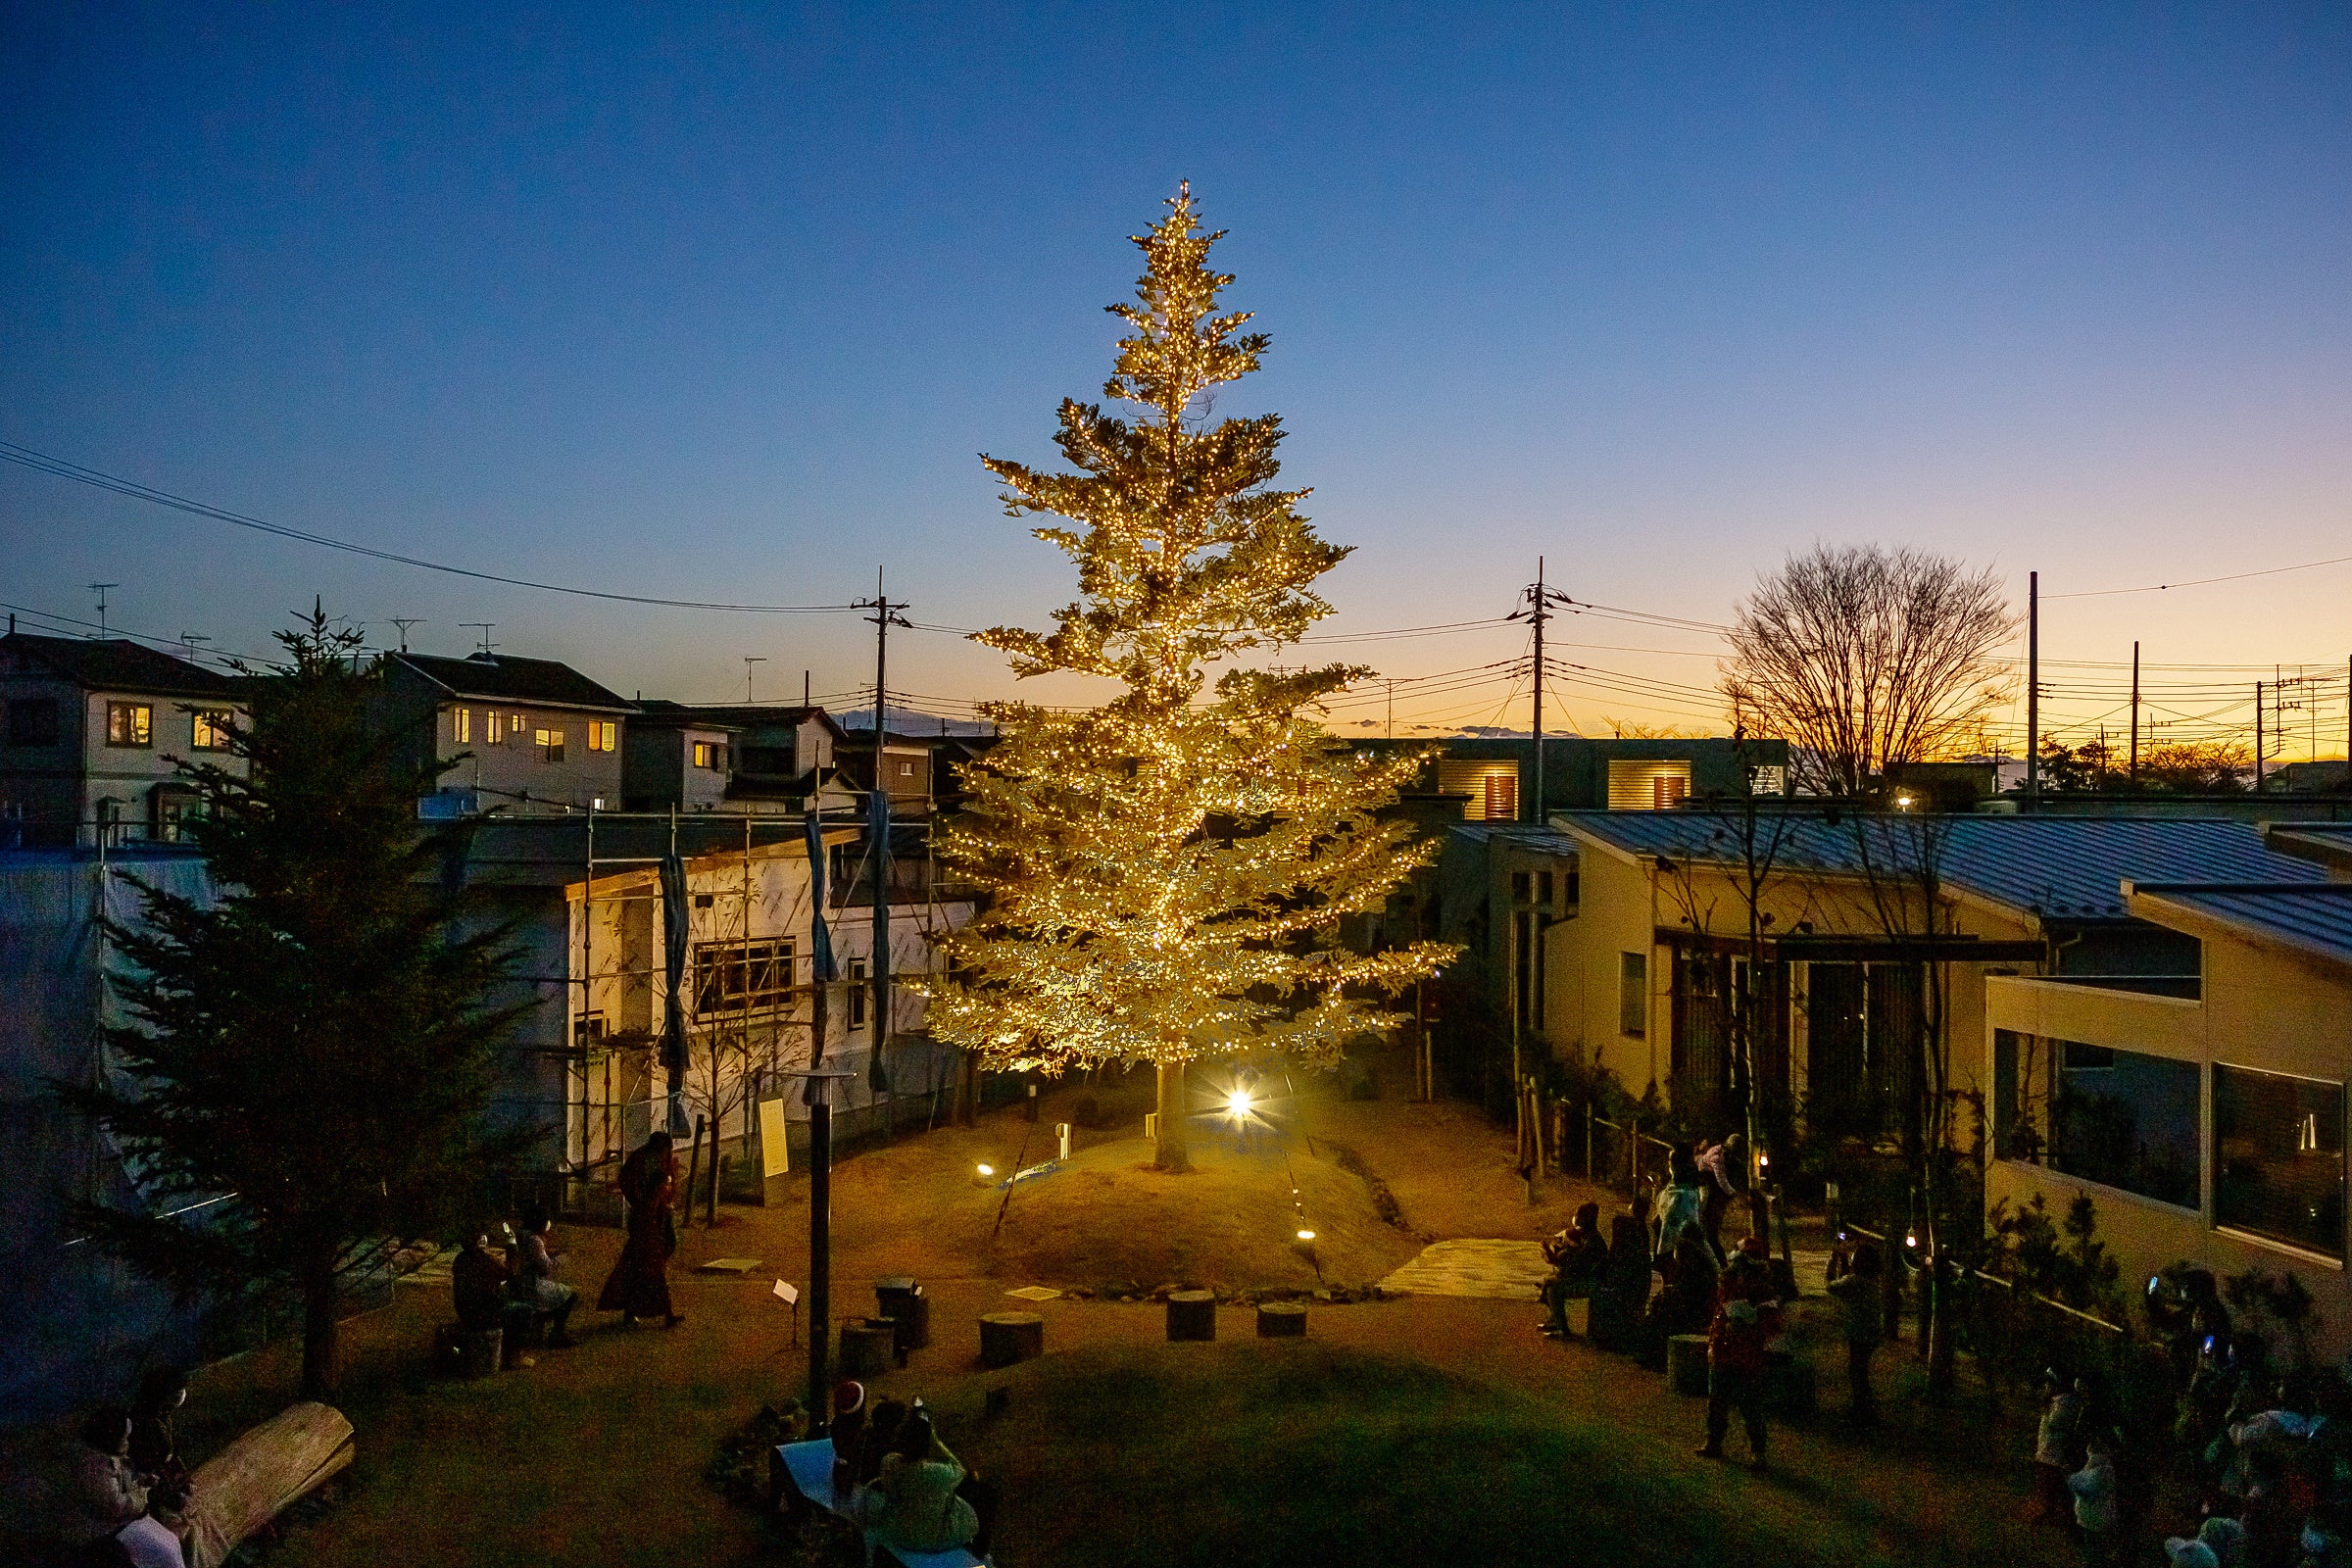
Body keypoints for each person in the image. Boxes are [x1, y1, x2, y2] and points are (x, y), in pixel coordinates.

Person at [856, 1408, 991, 1558]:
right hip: (937, 1539)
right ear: (927, 1445)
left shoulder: (889, 1463)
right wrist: (935, 1440)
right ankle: (980, 1551)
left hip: (898, 1532)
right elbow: (960, 1469)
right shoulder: (938, 1472)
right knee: (982, 1492)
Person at [1695, 1236, 1781, 1470]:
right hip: (1727, 1351)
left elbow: (1770, 1324)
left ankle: (1757, 1452)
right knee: (1719, 1402)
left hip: (1745, 1354)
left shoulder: (1760, 1291)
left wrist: (1747, 1326)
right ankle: (1715, 1442)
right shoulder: (1731, 1284)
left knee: (1749, 1405)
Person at [67, 1406, 185, 1568]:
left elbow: (123, 1483)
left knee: (171, 1544)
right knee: (164, 1554)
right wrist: (142, 1492)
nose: (127, 1442)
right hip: (107, 1531)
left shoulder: (109, 1456)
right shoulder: (95, 1467)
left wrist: (141, 1481)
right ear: (111, 1438)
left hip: (125, 1521)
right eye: (125, 1438)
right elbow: (114, 1507)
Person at [598, 1131, 683, 1328]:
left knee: (650, 1262)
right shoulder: (642, 1160)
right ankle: (660, 1312)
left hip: (657, 1215)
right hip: (647, 1220)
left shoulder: (659, 1159)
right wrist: (643, 1204)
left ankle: (637, 1310)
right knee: (647, 1267)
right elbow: (631, 1184)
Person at [453, 1232, 538, 1368]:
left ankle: (504, 1350)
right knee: (524, 1310)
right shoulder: (484, 1260)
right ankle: (513, 1357)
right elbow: (512, 1272)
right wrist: (511, 1246)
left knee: (508, 1300)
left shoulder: (460, 1259)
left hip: (466, 1311)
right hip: (485, 1313)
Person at [1824, 1237, 1884, 1426]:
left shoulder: (1854, 1281)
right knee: (1860, 1369)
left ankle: (1863, 1409)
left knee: (1857, 1371)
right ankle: (1864, 1407)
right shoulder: (1873, 1280)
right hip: (1872, 1331)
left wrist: (1833, 1258)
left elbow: (1830, 1286)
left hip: (1859, 1332)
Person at [507, 1208, 578, 1348]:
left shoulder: (520, 1235)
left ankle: (540, 1325)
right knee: (570, 1295)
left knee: (558, 1293)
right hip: (532, 1285)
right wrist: (561, 1258)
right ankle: (557, 1333)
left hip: (520, 1283)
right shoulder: (535, 1240)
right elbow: (546, 1267)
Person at [126, 1368, 192, 1518]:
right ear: (162, 1395)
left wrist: (183, 1474)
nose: (181, 1394)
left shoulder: (161, 1415)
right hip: (145, 1481)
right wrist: (170, 1488)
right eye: (176, 1391)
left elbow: (170, 1451)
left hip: (160, 1474)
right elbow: (148, 1464)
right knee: (180, 1504)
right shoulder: (143, 1423)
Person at [1539, 1202, 1608, 1338]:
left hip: (1593, 1283)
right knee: (1551, 1282)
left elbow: (1578, 1265)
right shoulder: (1587, 1236)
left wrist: (1558, 1257)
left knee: (1553, 1288)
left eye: (1577, 1215)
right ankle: (1555, 1321)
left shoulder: (1592, 1240)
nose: (1575, 1218)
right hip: (1589, 1278)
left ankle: (1562, 1328)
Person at [2032, 1368, 2087, 1528]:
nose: (2046, 1386)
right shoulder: (2056, 1401)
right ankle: (2051, 1513)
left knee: (2058, 1488)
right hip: (2047, 1452)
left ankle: (2070, 1521)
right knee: (2047, 1487)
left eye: (2049, 1383)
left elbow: (2055, 1423)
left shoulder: (2065, 1403)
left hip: (2055, 1454)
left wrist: (2047, 1403)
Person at [2070, 1427, 2122, 1567]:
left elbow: (2085, 1489)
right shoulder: (2105, 1468)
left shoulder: (2100, 1469)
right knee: (2099, 1546)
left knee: (2094, 1548)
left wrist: (2072, 1479)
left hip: (2092, 1517)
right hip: (2101, 1516)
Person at [1693, 1133, 1745, 1256]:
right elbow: (1720, 1177)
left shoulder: (1725, 1154)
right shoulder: (1717, 1156)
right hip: (1705, 1180)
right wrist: (1733, 1193)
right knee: (1704, 1202)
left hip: (1710, 1182)